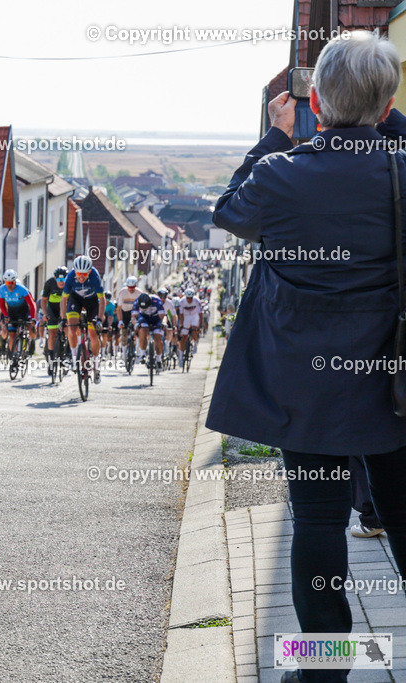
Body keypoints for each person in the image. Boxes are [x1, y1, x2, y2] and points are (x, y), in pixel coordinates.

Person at [206, 31, 406, 683]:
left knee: (317, 527)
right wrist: (379, 112)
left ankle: (324, 670)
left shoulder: (282, 175)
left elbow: (228, 213)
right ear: (390, 101)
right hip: (392, 386)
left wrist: (275, 136)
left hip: (306, 389)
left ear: (314, 100)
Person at [59, 255, 105, 382]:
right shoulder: (70, 277)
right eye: (78, 273)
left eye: (84, 274)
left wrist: (100, 319)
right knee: (72, 329)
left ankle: (96, 367)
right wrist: (63, 319)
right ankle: (75, 359)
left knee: (93, 333)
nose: (81, 276)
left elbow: (102, 300)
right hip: (76, 300)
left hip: (92, 302)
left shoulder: (95, 276)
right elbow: (64, 300)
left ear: (89, 271)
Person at [0, 269, 36, 362]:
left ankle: (32, 342)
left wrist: (33, 318)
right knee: (12, 335)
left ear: (15, 281)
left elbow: (31, 304)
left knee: (30, 328)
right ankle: (14, 357)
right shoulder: (2, 289)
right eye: (7, 282)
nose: (9, 285)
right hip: (12, 313)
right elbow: (1, 305)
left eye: (11, 282)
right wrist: (6, 316)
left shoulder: (22, 289)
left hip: (23, 312)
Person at [40, 267, 67, 373]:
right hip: (53, 308)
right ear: (55, 279)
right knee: (52, 333)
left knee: (68, 330)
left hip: (64, 307)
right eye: (59, 280)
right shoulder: (49, 283)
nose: (61, 282)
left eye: (63, 280)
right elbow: (43, 301)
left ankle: (67, 353)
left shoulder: (69, 283)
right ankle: (51, 362)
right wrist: (45, 314)